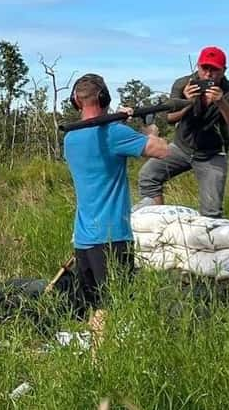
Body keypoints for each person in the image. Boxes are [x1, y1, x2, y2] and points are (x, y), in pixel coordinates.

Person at [63, 74, 170, 339]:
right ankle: (102, 369)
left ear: (77, 101)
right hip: (112, 236)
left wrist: (120, 122)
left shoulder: (71, 138)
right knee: (111, 310)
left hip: (85, 238)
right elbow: (161, 150)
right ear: (104, 99)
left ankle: (96, 361)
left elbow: (98, 141)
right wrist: (149, 130)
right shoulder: (114, 133)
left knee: (96, 308)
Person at [138, 46, 229, 218]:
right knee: (148, 175)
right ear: (198, 66)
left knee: (212, 212)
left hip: (212, 154)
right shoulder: (183, 84)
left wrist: (221, 103)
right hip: (182, 147)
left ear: (224, 71)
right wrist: (188, 102)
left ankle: (210, 239)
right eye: (205, 68)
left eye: (214, 70)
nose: (208, 74)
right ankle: (157, 222)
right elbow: (170, 118)